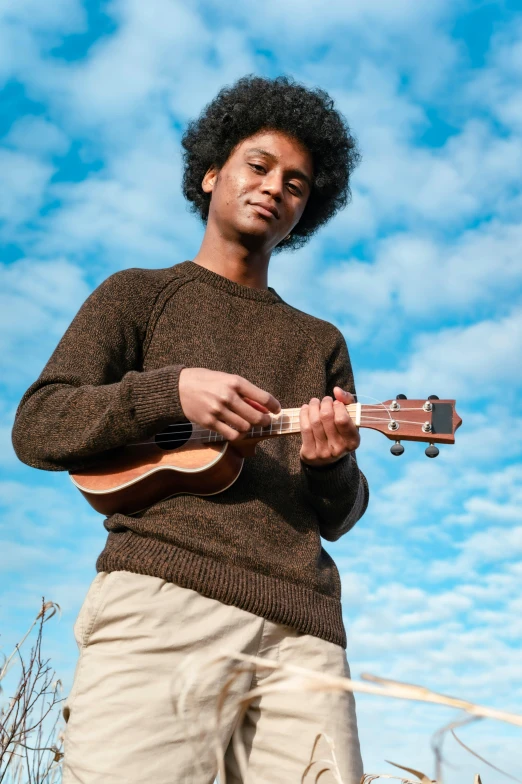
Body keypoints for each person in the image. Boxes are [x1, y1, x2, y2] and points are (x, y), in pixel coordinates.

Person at [11, 75, 369, 784]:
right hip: (160, 604)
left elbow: (339, 516)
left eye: (297, 184)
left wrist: (331, 464)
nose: (275, 188)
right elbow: (39, 426)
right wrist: (167, 392)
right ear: (211, 174)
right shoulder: (135, 295)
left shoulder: (320, 341)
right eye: (258, 166)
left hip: (303, 633)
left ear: (308, 210)